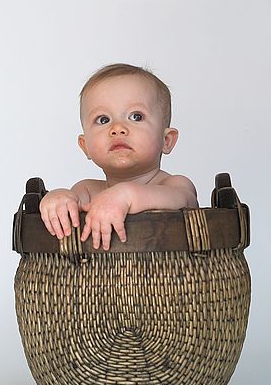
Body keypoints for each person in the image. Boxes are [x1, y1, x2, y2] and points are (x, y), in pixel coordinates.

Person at [39, 63, 198, 250]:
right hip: (101, 278)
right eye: (103, 120)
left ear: (166, 140)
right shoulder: (87, 190)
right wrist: (57, 199)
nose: (117, 128)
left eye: (136, 116)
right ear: (85, 146)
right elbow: (70, 212)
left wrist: (127, 195)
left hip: (169, 277)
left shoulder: (175, 185)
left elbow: (184, 200)